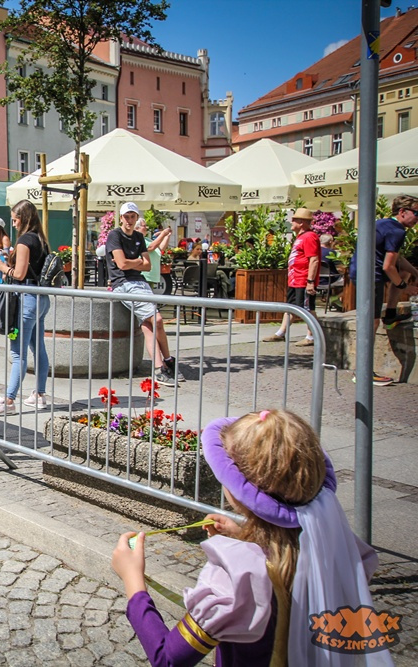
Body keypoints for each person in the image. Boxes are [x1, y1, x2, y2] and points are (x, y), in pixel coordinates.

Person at [112, 409, 386, 666]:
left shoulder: (241, 575)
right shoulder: (338, 544)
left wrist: (133, 580)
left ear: (239, 489)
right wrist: (245, 536)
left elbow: (167, 658)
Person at [105, 202, 185, 386]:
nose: (129, 220)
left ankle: (161, 366)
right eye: (126, 217)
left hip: (140, 282)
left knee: (149, 325)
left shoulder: (139, 237)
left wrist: (131, 262)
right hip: (124, 284)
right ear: (121, 218)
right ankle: (166, 363)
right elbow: (122, 265)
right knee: (157, 320)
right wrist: (137, 261)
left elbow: (147, 265)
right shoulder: (115, 235)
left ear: (136, 218)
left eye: (132, 217)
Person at [0, 200, 51, 414]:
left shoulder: (24, 240)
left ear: (22, 219)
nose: (13, 224)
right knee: (38, 349)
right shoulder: (41, 239)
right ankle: (39, 395)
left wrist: (3, 266)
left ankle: (9, 400)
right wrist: (9, 260)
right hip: (41, 299)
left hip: (26, 300)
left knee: (18, 354)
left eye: (14, 220)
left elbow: (20, 274)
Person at [349, 195, 418, 385]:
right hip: (371, 277)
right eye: (416, 213)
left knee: (404, 272)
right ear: (402, 212)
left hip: (361, 272)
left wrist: (414, 272)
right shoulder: (397, 231)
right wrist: (406, 287)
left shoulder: (382, 223)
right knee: (371, 323)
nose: (417, 219)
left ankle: (391, 314)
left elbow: (396, 259)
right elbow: (388, 267)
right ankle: (362, 372)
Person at [262, 207, 321, 347]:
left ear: (301, 222)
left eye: (294, 220)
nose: (291, 221)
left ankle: (312, 336)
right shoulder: (301, 237)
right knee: (291, 307)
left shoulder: (310, 236)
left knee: (307, 308)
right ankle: (280, 333)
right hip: (295, 279)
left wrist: (310, 281)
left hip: (303, 279)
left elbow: (314, 259)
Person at [137, 218, 171, 290]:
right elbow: (151, 247)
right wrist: (163, 234)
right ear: (137, 228)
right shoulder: (138, 239)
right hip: (144, 276)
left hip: (151, 276)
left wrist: (167, 236)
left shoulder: (147, 239)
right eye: (144, 226)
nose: (147, 228)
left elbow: (160, 248)